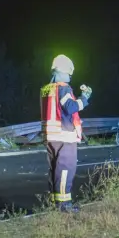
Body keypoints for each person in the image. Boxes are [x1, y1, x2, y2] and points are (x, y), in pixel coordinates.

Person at [41, 54, 91, 213]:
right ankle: (64, 205)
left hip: (50, 136)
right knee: (65, 169)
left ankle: (53, 201)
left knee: (54, 168)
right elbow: (70, 107)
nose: (70, 75)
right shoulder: (63, 88)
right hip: (64, 135)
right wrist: (85, 98)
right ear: (65, 71)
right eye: (70, 72)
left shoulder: (46, 89)